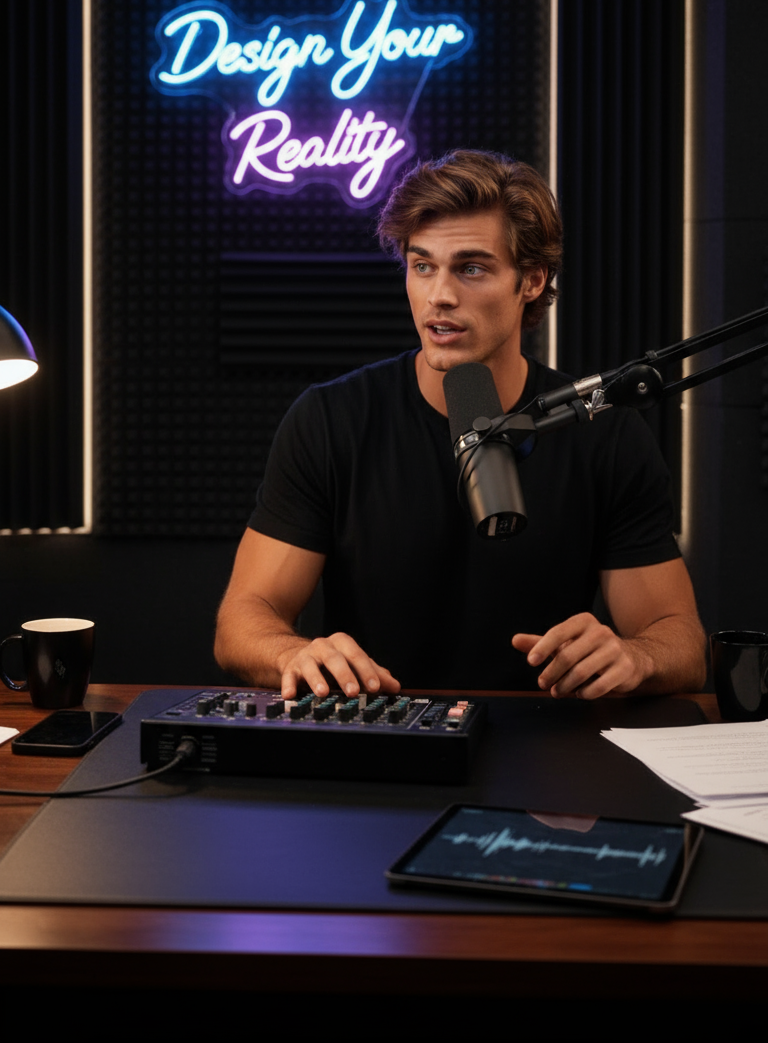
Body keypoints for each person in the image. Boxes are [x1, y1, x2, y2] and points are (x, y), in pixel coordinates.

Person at [215, 151, 705, 699]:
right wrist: (294, 652)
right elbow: (244, 619)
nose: (439, 296)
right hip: (380, 735)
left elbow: (681, 641)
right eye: (422, 265)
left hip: (546, 751)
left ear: (533, 280)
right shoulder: (331, 420)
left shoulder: (604, 433)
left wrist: (636, 655)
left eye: (471, 268)